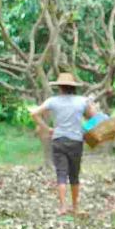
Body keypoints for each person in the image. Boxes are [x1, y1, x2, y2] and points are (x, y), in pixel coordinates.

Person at [31, 73, 96, 216]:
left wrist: (47, 128)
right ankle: (76, 207)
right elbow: (94, 117)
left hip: (58, 140)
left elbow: (35, 114)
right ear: (73, 87)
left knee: (61, 175)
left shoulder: (53, 101)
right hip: (76, 141)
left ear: (59, 87)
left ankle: (62, 208)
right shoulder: (82, 101)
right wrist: (89, 111)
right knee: (74, 176)